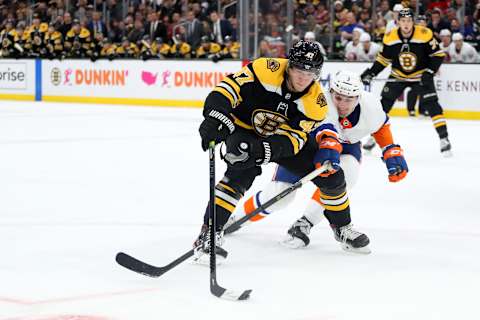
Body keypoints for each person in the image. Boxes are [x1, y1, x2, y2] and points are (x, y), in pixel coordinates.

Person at [194, 41, 360, 263]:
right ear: (289, 66)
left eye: (310, 72)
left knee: (331, 174)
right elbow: (228, 89)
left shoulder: (316, 103)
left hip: (281, 139)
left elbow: (296, 139)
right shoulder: (265, 68)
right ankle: (209, 234)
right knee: (241, 167)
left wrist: (267, 150)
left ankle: (343, 227)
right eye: (299, 69)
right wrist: (216, 115)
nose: (303, 77)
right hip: (243, 129)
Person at [227, 70, 408, 254]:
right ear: (331, 93)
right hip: (306, 146)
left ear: (358, 97)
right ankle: (237, 218)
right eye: (338, 98)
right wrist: (329, 149)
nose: (343, 105)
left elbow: (381, 126)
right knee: (280, 195)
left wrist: (391, 151)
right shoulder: (319, 100)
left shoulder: (370, 105)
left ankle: (304, 224)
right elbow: (327, 132)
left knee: (348, 176)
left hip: (345, 147)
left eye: (349, 99)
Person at [360, 8, 452, 157]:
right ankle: (372, 139)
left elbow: (438, 55)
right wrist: (371, 72)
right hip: (398, 75)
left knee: (433, 106)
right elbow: (383, 59)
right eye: (403, 21)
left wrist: (429, 72)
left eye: (409, 21)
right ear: (398, 22)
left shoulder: (424, 34)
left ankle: (444, 139)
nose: (406, 24)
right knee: (383, 107)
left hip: (420, 76)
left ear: (412, 22)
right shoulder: (390, 37)